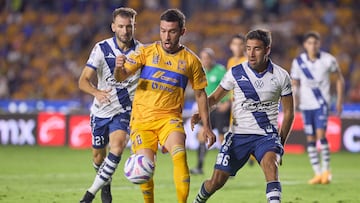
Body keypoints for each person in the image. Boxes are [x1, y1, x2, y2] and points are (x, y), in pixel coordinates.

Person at [114, 8, 216, 203]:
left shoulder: (191, 61)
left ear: (182, 32)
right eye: (162, 31)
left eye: (172, 31)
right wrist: (118, 68)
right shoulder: (146, 52)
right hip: (142, 121)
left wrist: (207, 127)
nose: (166, 36)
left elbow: (201, 94)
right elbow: (121, 77)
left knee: (179, 154)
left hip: (170, 119)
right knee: (145, 166)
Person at [192, 29, 295, 203]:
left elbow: (290, 112)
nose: (251, 54)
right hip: (238, 136)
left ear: (267, 50)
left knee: (271, 167)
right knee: (216, 181)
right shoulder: (235, 72)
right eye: (248, 48)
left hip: (266, 136)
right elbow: (215, 98)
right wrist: (201, 114)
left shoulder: (281, 76)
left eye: (257, 49)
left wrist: (281, 144)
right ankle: (199, 200)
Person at [78, 7, 141, 203]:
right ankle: (105, 184)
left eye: (129, 26)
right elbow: (83, 81)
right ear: (113, 27)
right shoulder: (101, 48)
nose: (125, 31)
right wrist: (96, 92)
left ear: (134, 27)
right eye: (121, 26)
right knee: (98, 157)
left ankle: (89, 195)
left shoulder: (142, 52)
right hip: (100, 111)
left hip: (124, 111)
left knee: (118, 146)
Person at [290, 31, 344, 185]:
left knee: (321, 135)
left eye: (315, 43)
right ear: (305, 45)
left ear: (319, 44)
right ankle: (318, 173)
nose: (312, 46)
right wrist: (294, 102)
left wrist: (339, 100)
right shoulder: (298, 62)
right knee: (310, 139)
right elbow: (295, 83)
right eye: (309, 43)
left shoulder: (328, 60)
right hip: (306, 106)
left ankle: (326, 170)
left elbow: (339, 79)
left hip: (322, 104)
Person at [190, 48, 230, 175]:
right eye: (203, 58)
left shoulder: (220, 70)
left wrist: (228, 102)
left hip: (221, 108)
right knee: (202, 135)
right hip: (207, 109)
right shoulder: (201, 72)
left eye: (207, 58)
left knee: (222, 138)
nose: (205, 60)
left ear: (212, 58)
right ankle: (199, 167)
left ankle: (227, 168)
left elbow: (229, 87)